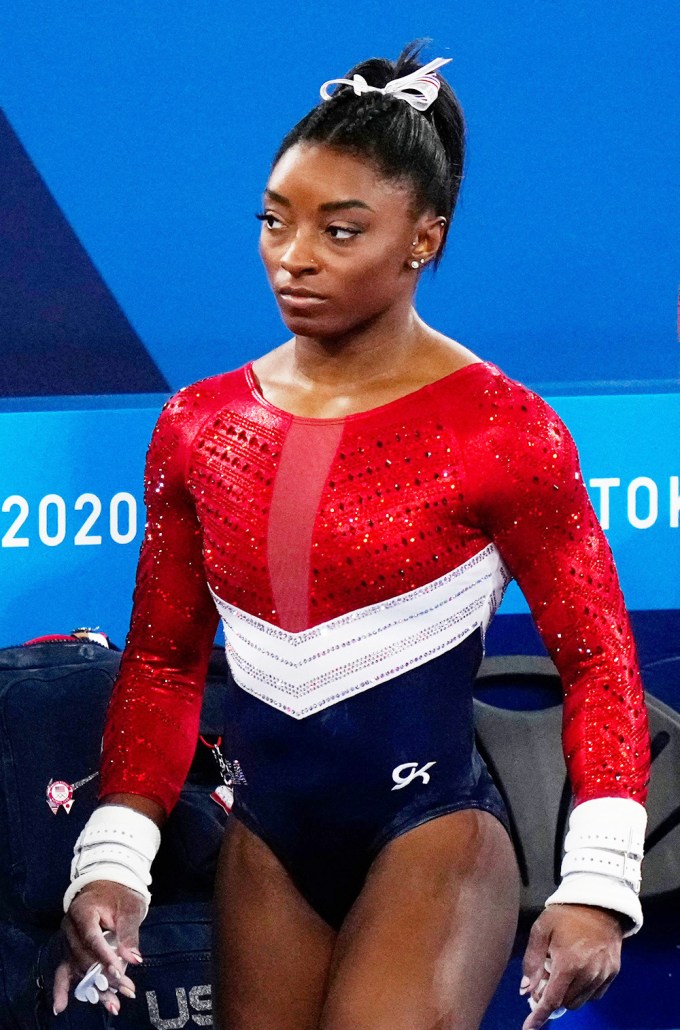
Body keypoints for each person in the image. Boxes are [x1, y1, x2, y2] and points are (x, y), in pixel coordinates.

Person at [53, 44, 649, 1030]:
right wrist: (113, 859)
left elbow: (596, 663)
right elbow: (162, 662)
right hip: (269, 851)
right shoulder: (198, 427)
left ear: (423, 238)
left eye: (339, 230)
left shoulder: (503, 429)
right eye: (275, 221)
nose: (294, 254)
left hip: (432, 839)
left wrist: (595, 882)